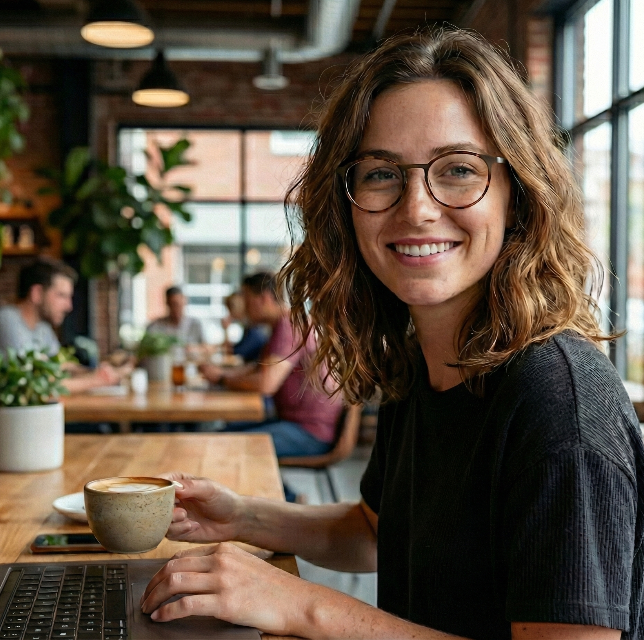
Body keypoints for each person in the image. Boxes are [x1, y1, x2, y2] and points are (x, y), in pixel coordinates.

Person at [137, 28, 644, 640]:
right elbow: (375, 532)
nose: (418, 207)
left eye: (458, 169)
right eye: (381, 174)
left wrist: (303, 606)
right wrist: (242, 517)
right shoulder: (421, 363)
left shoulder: (558, 402)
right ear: (345, 206)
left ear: (519, 195)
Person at [0, 258, 123, 434]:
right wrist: (97, 381)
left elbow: (60, 366)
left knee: (101, 428)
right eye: (61, 296)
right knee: (97, 430)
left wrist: (98, 371)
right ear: (36, 293)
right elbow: (35, 390)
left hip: (18, 424)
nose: (69, 306)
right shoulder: (6, 324)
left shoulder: (42, 328)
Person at [200, 272, 343, 457]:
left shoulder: (290, 325)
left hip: (309, 431)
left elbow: (266, 383)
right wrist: (222, 374)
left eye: (246, 299)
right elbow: (259, 369)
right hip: (294, 423)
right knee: (219, 436)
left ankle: (283, 488)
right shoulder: (284, 324)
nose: (242, 308)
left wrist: (221, 378)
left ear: (264, 299)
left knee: (222, 446)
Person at [221, 291, 269, 363]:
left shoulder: (254, 329)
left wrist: (226, 329)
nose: (229, 314)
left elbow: (233, 352)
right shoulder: (248, 327)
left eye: (230, 310)